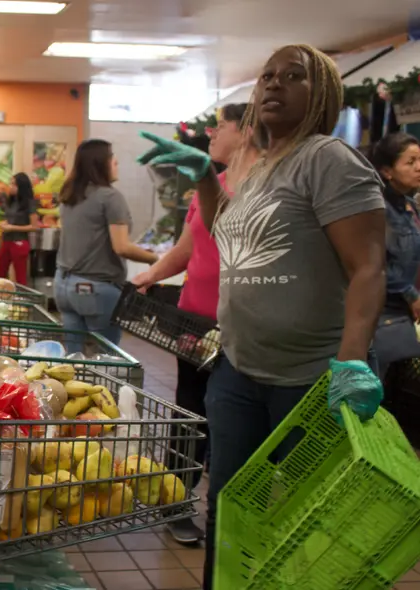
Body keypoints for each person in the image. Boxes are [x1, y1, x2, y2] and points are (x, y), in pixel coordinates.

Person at [138, 45, 386, 589]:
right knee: (227, 505)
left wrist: (349, 362)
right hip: (239, 370)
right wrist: (206, 177)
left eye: (292, 77)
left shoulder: (330, 160)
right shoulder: (263, 164)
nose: (273, 85)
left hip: (310, 380)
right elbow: (230, 233)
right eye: (267, 76)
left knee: (303, 515)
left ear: (320, 92)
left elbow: (367, 266)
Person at [132, 103, 260, 545]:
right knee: (190, 413)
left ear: (245, 131)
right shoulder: (210, 185)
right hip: (195, 325)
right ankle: (177, 501)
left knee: (233, 417)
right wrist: (152, 273)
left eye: (220, 125)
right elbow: (186, 249)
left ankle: (227, 509)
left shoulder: (266, 189)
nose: (210, 131)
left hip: (244, 327)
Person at [55, 139, 158, 346]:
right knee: (106, 356)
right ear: (101, 163)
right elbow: (121, 246)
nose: (116, 163)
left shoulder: (70, 195)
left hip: (63, 285)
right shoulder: (110, 197)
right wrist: (156, 259)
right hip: (95, 289)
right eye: (113, 159)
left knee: (73, 357)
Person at [367, 133, 420, 378]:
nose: (418, 167)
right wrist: (411, 295)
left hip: (405, 312)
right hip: (384, 314)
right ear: (387, 172)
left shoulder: (411, 206)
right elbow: (377, 262)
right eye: (410, 162)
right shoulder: (378, 208)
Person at [0, 172, 38, 285]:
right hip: (6, 240)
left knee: (20, 278)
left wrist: (12, 227)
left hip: (19, 242)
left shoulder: (30, 203)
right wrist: (5, 224)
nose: (11, 186)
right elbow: (10, 219)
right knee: (0, 274)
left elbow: (34, 227)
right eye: (11, 183)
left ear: (22, 186)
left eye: (14, 184)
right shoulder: (11, 201)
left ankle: (21, 300)